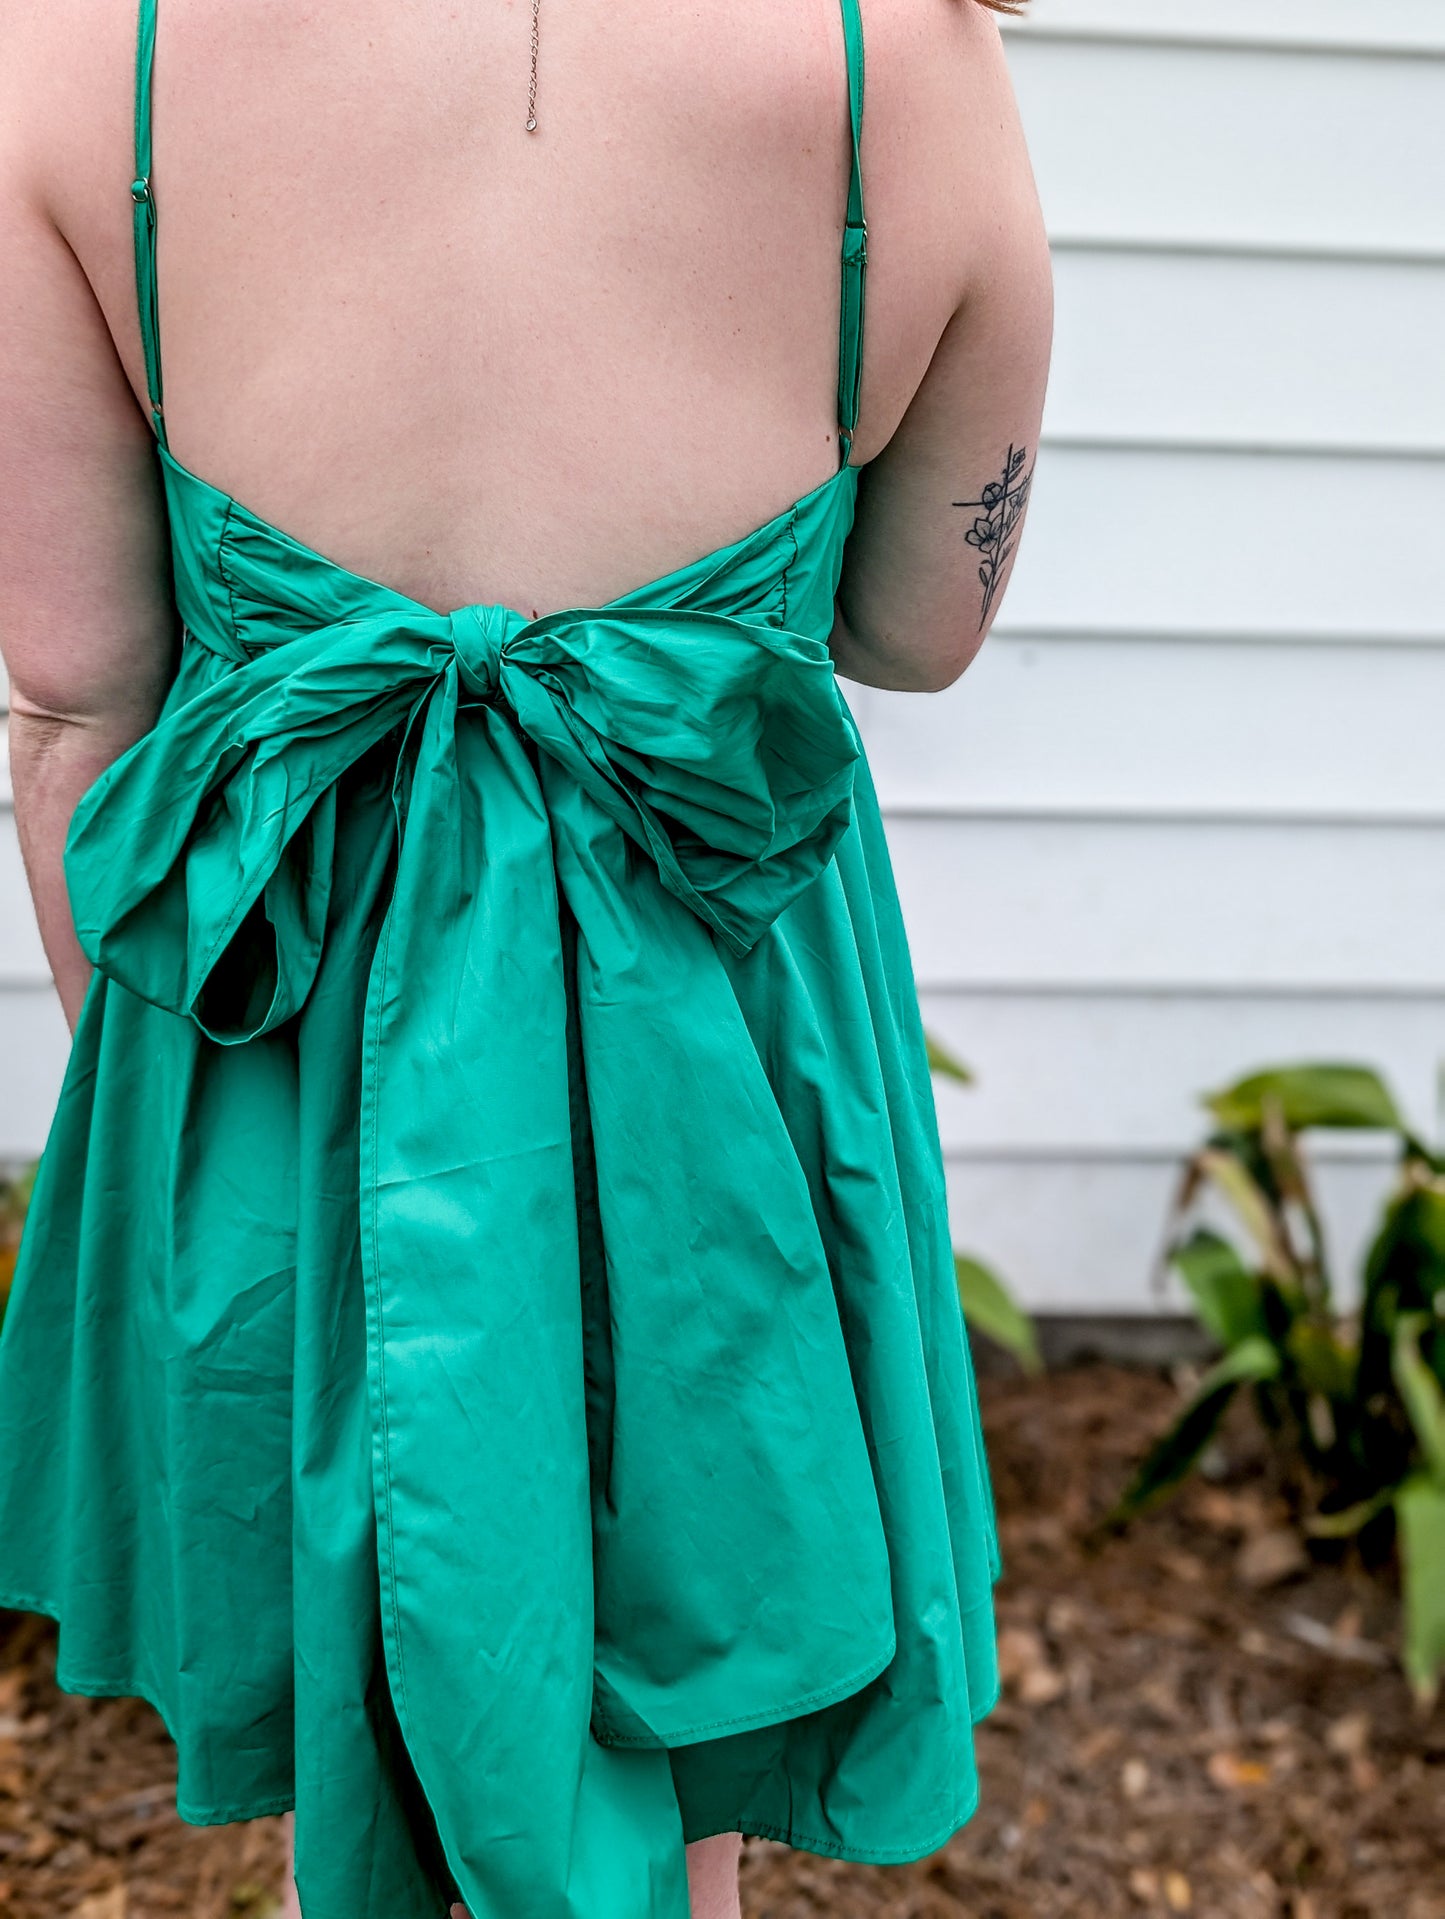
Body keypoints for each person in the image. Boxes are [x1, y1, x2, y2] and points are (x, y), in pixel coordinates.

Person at [0, 0, 1052, 1914]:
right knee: (677, 1704)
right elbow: (917, 623)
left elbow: (78, 700)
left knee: (372, 1664)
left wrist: (188, 1131)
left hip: (283, 1028)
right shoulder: (901, 59)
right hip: (714, 1062)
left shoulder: (83, 48)